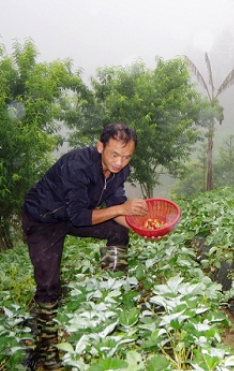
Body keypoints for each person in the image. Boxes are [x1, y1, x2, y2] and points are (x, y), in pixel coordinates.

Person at [22, 123, 147, 370]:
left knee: (118, 230)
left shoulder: (120, 170)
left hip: (74, 215)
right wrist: (122, 209)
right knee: (48, 287)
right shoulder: (77, 165)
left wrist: (143, 229)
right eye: (114, 154)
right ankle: (46, 351)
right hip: (43, 219)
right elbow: (81, 216)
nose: (120, 162)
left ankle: (110, 295)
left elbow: (114, 205)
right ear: (100, 147)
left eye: (126, 156)